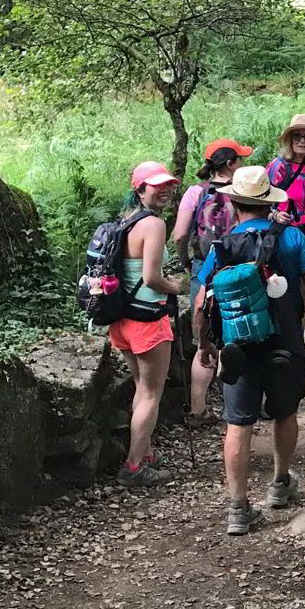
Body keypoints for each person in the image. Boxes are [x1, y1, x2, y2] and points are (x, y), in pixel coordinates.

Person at [194, 166, 305, 535]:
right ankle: (280, 484)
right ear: (267, 201)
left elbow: (201, 300)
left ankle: (238, 508)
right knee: (285, 413)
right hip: (285, 342)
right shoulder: (292, 238)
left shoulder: (222, 246)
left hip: (237, 348)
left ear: (235, 203)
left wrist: (204, 343)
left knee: (238, 423)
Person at [110, 162, 186, 488]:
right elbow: (152, 277)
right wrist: (176, 287)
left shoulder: (124, 221)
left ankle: (146, 452)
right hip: (147, 320)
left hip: (120, 318)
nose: (166, 189)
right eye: (157, 185)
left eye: (169, 184)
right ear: (140, 188)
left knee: (142, 389)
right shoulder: (153, 225)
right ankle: (134, 465)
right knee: (151, 393)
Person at [171, 138, 253, 419]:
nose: (242, 163)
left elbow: (180, 234)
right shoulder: (242, 191)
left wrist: (186, 260)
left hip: (203, 268)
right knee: (240, 338)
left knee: (203, 342)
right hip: (238, 270)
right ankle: (241, 405)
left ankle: (198, 409)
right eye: (240, 159)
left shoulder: (195, 192)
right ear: (230, 164)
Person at [268, 114, 305, 380]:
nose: (302, 140)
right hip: (284, 239)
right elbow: (260, 200)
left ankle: (299, 358)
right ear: (289, 140)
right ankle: (283, 357)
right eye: (297, 136)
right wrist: (274, 216)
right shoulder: (278, 167)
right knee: (284, 297)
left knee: (303, 298)